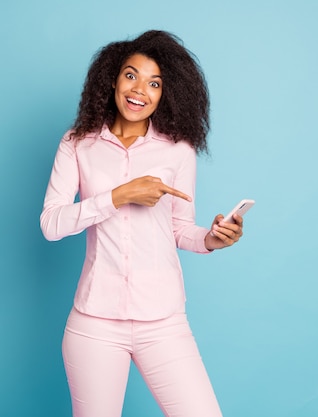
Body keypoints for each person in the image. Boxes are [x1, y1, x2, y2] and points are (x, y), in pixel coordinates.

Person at [40, 30, 244, 417]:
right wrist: (118, 196)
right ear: (113, 79)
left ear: (167, 93)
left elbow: (181, 229)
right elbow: (51, 223)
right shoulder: (77, 143)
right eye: (131, 75)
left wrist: (214, 239)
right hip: (94, 323)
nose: (140, 91)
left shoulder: (178, 150)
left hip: (163, 322)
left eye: (155, 83)